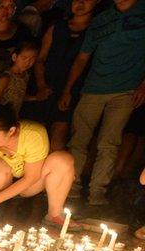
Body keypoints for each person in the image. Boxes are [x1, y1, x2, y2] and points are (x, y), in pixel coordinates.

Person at [62, 0, 145, 207]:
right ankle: (70, 186)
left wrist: (143, 86)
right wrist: (68, 89)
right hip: (92, 88)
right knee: (79, 139)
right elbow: (82, 58)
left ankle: (97, 192)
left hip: (125, 90)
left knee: (109, 143)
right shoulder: (101, 19)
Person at [32, 0, 97, 152]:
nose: (80, 3)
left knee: (58, 140)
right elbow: (40, 59)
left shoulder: (96, 30)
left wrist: (69, 90)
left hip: (75, 90)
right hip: (47, 86)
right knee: (37, 137)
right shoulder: (57, 27)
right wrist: (41, 84)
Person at [0, 42, 43, 115]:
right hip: (3, 117)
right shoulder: (6, 78)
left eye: (32, 59)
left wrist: (35, 98)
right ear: (14, 57)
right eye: (24, 58)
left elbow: (19, 95)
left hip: (14, 116)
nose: (28, 62)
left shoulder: (25, 75)